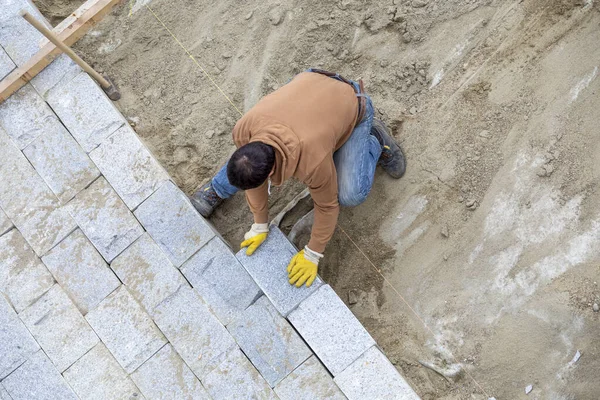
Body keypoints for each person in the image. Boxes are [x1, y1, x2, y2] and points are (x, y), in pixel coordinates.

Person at [191, 68, 406, 288]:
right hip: (307, 87)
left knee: (351, 194)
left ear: (272, 172)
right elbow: (254, 178)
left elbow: (327, 206)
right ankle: (216, 189)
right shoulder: (243, 129)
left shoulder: (311, 161)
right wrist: (260, 224)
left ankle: (375, 140)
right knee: (244, 168)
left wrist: (312, 254)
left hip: (351, 102)